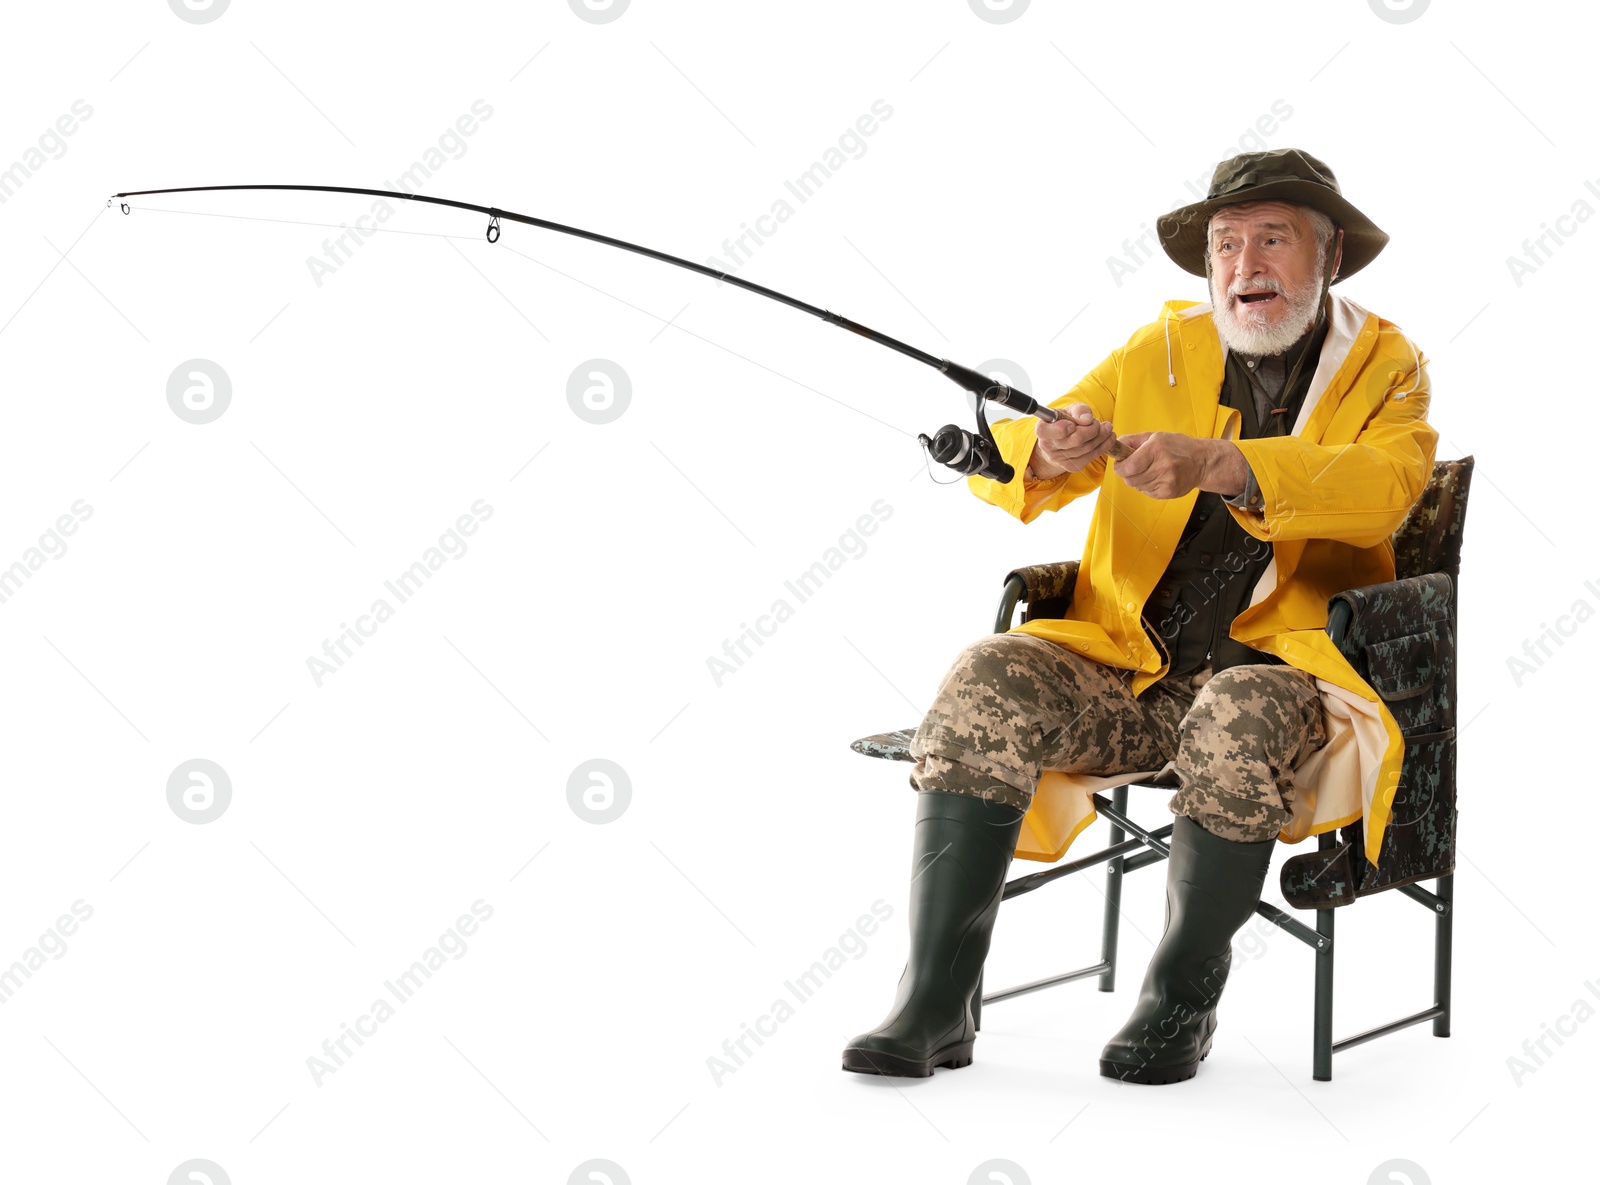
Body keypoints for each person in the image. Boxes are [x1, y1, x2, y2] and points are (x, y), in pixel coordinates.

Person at [841, 148, 1438, 1085]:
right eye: (1225, 244)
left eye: (1272, 239)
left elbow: (1386, 489)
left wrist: (1225, 465)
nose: (1245, 264)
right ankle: (933, 1001)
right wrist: (1042, 446)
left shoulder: (1386, 364)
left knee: (1233, 712)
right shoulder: (1157, 350)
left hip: (1283, 682)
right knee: (985, 673)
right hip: (1130, 671)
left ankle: (1178, 1002)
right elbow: (1046, 449)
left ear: (1327, 257)